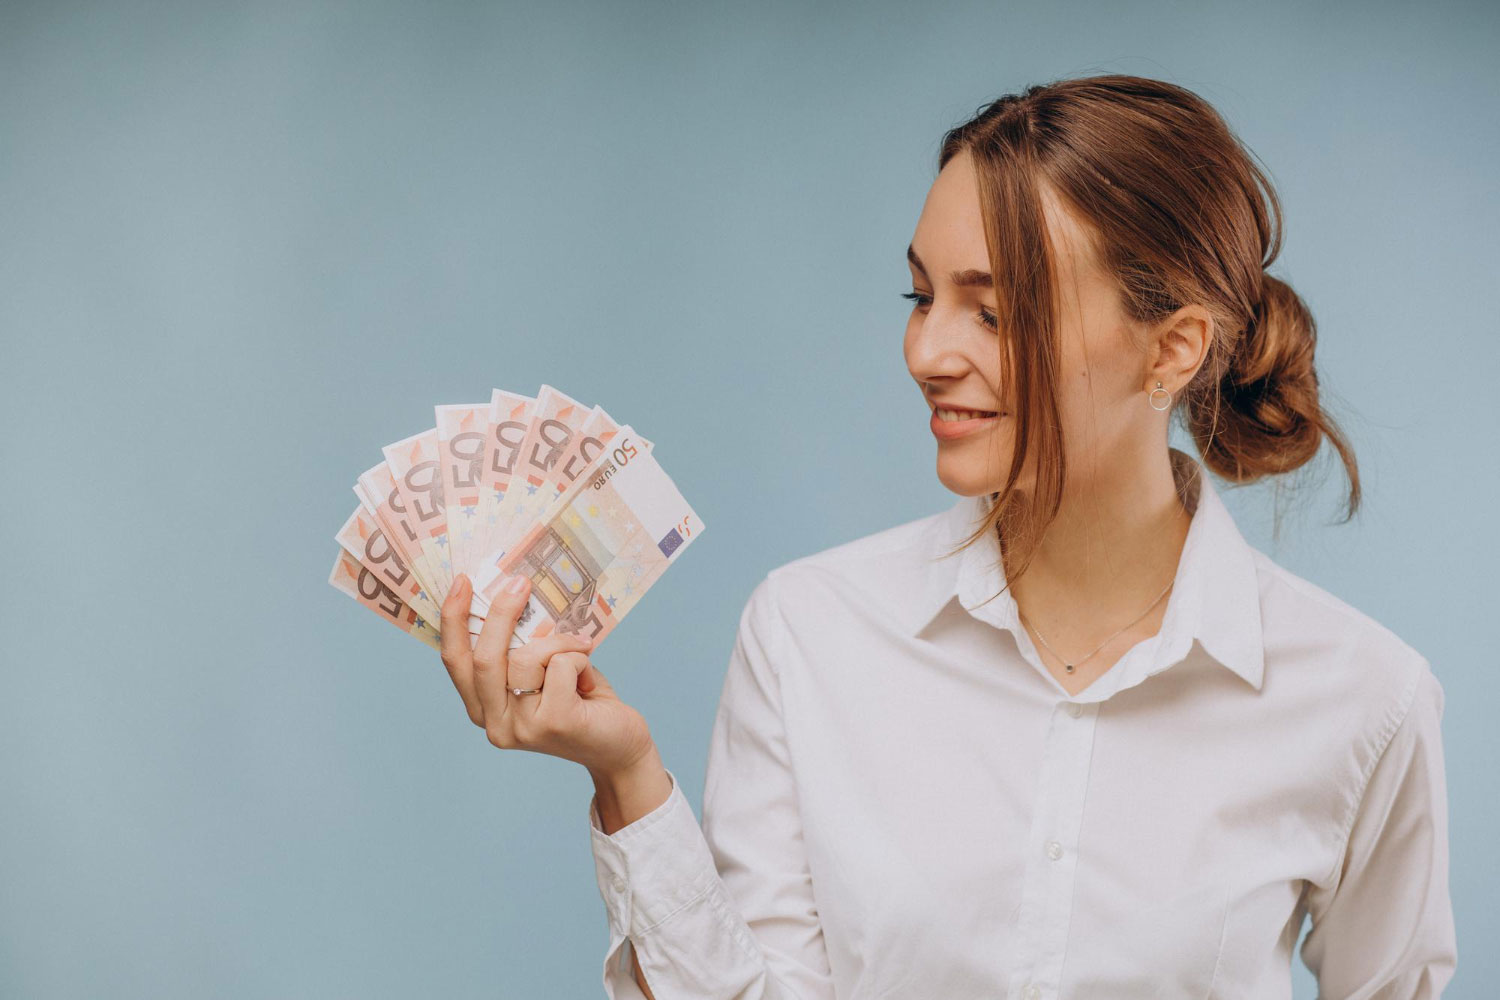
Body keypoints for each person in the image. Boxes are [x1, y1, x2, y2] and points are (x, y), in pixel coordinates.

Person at [437, 74, 1456, 999]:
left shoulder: (1364, 700)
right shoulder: (810, 633)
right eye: (922, 296)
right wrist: (627, 778)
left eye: (997, 313)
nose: (928, 350)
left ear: (1172, 350)